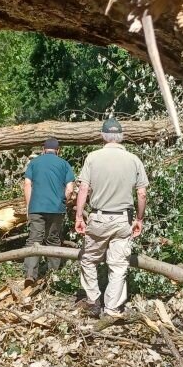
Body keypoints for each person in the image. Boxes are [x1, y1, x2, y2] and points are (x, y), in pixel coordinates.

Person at [75, 118, 149, 317]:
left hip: (99, 218)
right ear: (121, 137)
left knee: (89, 260)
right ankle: (112, 308)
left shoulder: (92, 157)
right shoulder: (134, 160)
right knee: (118, 266)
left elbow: (83, 188)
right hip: (123, 220)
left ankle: (92, 300)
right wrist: (140, 219)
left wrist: (78, 216)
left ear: (103, 136)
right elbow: (141, 193)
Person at [23, 137, 75, 287]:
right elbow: (70, 188)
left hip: (36, 207)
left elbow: (27, 184)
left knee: (34, 240)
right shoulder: (64, 164)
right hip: (56, 208)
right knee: (53, 240)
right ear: (58, 150)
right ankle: (53, 275)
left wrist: (29, 206)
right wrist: (62, 199)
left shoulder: (34, 163)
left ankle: (30, 274)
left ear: (43, 149)